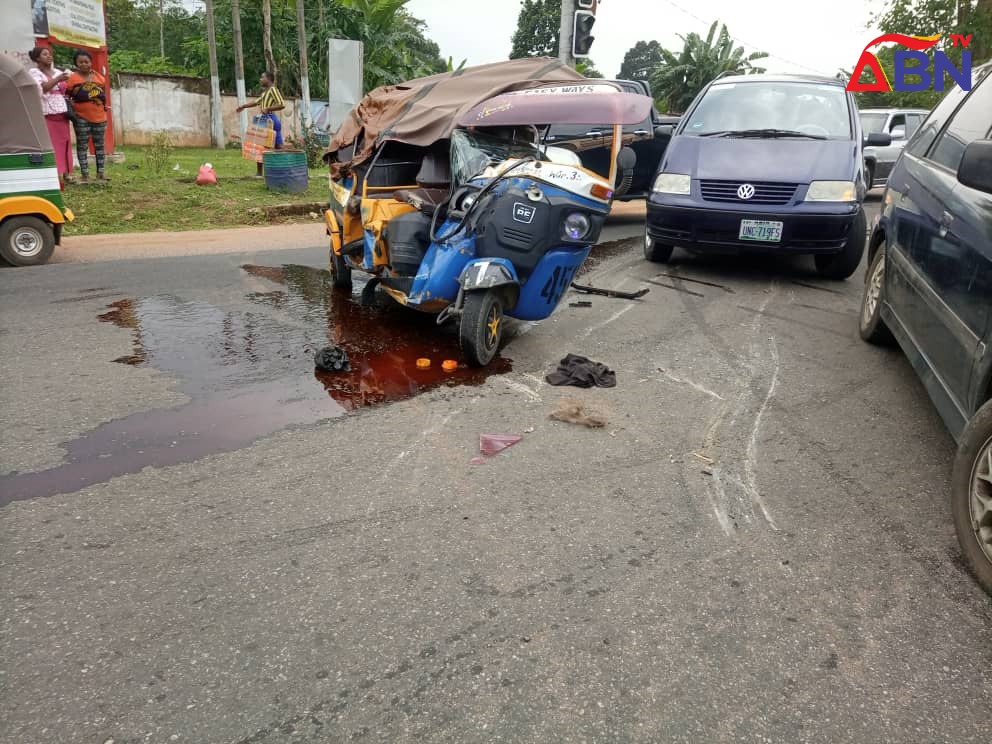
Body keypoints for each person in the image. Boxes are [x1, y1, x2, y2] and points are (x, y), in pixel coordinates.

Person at [27, 46, 74, 185]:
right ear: (37, 58)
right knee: (52, 145)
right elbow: (41, 89)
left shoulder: (58, 72)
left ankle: (65, 172)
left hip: (62, 114)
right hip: (48, 114)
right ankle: (54, 174)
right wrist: (59, 78)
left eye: (50, 54)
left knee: (64, 144)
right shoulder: (34, 72)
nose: (49, 56)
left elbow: (65, 90)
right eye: (45, 54)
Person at [65, 50, 110, 182]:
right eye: (81, 62)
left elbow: (103, 95)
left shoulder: (99, 78)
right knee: (82, 145)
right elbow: (68, 96)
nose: (84, 64)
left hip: (100, 116)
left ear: (91, 62)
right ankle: (85, 175)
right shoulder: (73, 78)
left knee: (100, 145)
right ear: (76, 63)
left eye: (87, 61)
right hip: (81, 117)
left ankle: (101, 173)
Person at [236, 71, 285, 175]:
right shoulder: (265, 93)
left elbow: (281, 104)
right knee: (260, 146)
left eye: (262, 77)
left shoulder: (273, 90)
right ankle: (259, 173)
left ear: (269, 79)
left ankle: (282, 170)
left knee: (278, 147)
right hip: (263, 119)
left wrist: (268, 108)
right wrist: (243, 106)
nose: (260, 79)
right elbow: (256, 102)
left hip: (271, 120)